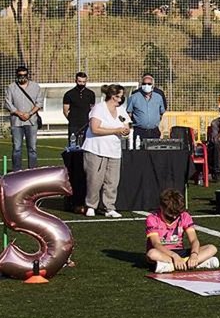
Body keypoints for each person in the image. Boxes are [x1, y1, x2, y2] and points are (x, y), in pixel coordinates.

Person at [82, 84, 130, 217]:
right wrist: (116, 130)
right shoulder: (99, 108)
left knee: (112, 181)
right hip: (96, 149)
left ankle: (109, 207)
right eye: (119, 97)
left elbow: (125, 126)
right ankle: (91, 205)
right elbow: (95, 129)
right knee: (94, 180)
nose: (120, 100)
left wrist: (125, 131)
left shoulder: (121, 110)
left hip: (114, 150)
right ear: (112, 96)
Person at [145, 189, 220, 274]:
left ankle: (172, 266)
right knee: (151, 254)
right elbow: (156, 244)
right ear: (161, 207)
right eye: (169, 215)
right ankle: (196, 263)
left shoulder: (184, 216)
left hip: (180, 251)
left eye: (176, 215)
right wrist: (174, 256)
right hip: (163, 252)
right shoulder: (152, 218)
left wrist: (194, 255)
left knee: (211, 248)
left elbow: (194, 240)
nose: (173, 218)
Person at [4, 64, 44, 170]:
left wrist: (29, 113)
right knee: (17, 148)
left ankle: (32, 170)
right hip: (16, 122)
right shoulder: (11, 87)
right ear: (16, 75)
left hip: (31, 121)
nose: (22, 77)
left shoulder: (35, 87)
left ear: (28, 75)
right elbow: (8, 103)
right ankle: (17, 171)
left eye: (24, 75)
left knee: (32, 148)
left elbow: (39, 103)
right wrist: (18, 113)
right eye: (20, 75)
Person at [124, 72, 166, 141]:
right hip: (139, 131)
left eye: (149, 84)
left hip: (154, 131)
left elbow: (161, 112)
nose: (146, 85)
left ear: (152, 85)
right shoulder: (134, 97)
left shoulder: (158, 97)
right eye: (144, 84)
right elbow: (129, 113)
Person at [62, 72, 96, 150]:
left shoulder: (90, 94)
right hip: (73, 124)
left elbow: (92, 109)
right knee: (72, 146)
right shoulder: (69, 94)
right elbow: (65, 110)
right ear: (76, 81)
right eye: (79, 81)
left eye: (84, 82)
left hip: (86, 124)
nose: (82, 84)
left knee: (87, 145)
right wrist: (71, 119)